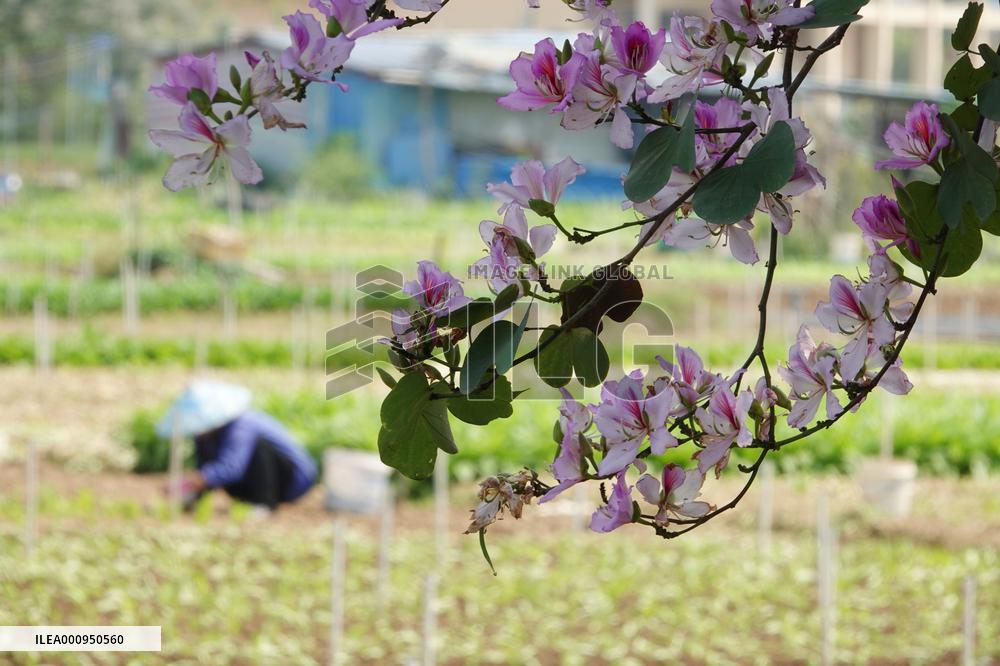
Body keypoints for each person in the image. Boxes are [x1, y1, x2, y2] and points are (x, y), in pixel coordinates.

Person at [156, 380, 318, 513]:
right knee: (210, 462)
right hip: (247, 487)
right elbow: (206, 468)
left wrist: (190, 482)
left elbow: (232, 467)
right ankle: (196, 501)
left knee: (258, 446)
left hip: (291, 481)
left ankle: (264, 504)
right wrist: (192, 490)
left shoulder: (242, 425)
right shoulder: (205, 436)